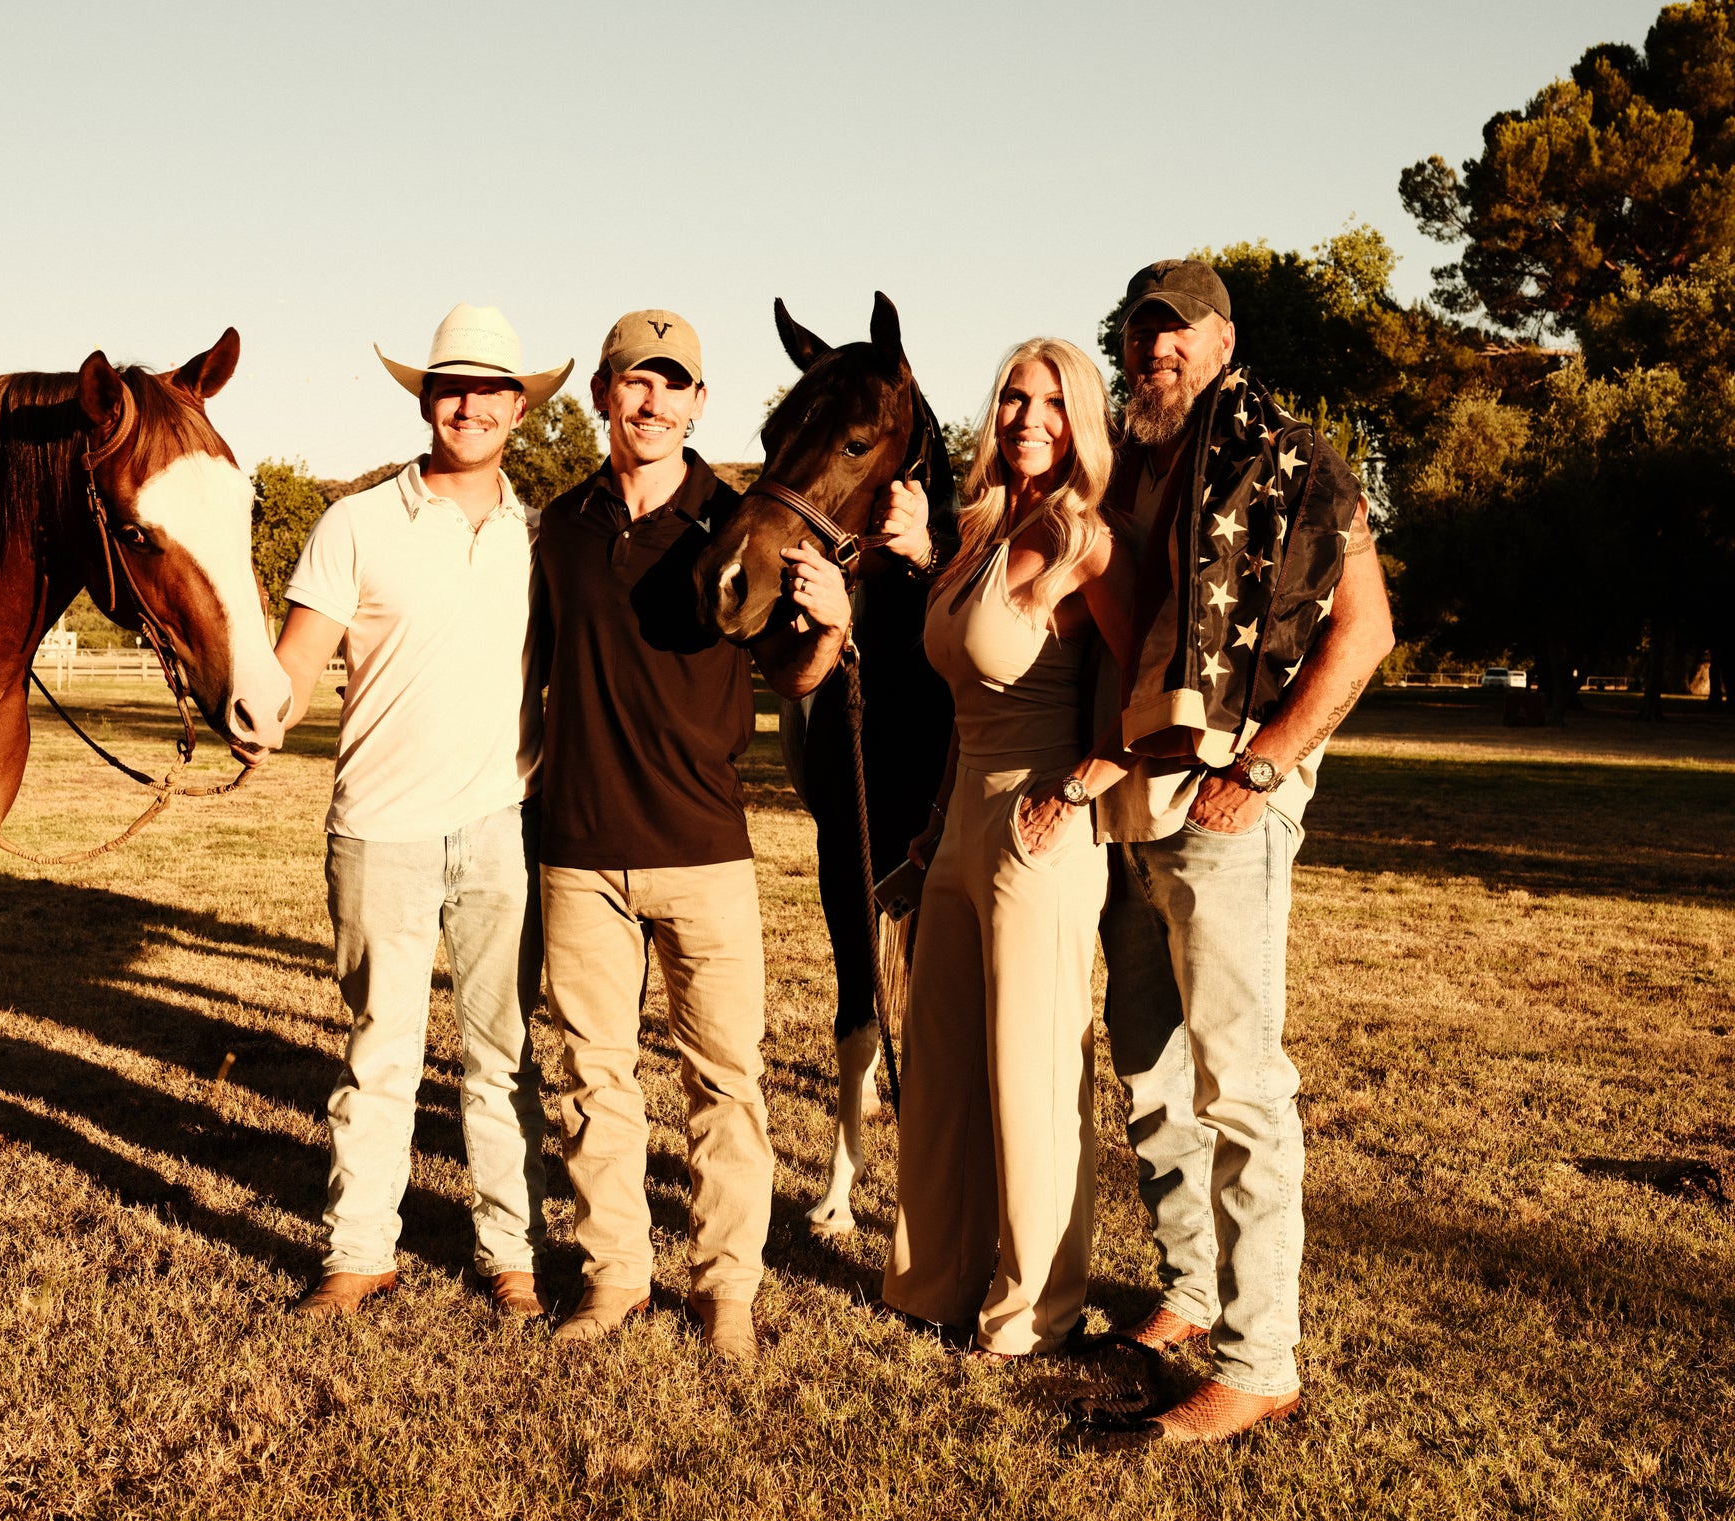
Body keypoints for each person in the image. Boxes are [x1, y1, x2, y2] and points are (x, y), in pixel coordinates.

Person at [1094, 260, 1395, 1444]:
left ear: (1222, 341)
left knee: (1237, 1087)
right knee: (1146, 1065)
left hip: (1226, 799)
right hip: (1134, 801)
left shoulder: (1294, 459)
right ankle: (1187, 1288)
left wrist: (1262, 765)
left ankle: (1259, 1354)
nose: (1152, 352)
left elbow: (1362, 631)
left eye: (1175, 334)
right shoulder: (1128, 464)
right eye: (1136, 334)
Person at [532, 309, 850, 1361]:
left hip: (704, 848)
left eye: (673, 385)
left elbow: (795, 677)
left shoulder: (741, 523)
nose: (652, 400)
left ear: (699, 404)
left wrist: (829, 623)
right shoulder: (562, 527)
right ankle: (615, 1275)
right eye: (633, 382)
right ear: (603, 398)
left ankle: (726, 1292)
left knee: (723, 1082)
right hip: (577, 848)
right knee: (593, 1078)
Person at [272, 304, 573, 1321]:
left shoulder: (542, 538)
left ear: (518, 409)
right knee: (379, 1052)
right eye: (452, 386)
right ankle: (358, 1253)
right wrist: (250, 710)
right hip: (378, 828)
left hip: (503, 825)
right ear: (424, 398)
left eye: (493, 389)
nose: (470, 405)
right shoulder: (353, 523)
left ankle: (511, 1256)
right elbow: (297, 669)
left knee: (501, 1059)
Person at [877, 338, 1137, 1360]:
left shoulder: (1082, 540)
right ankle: (931, 1280)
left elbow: (1157, 681)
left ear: (1082, 423)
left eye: (1053, 405)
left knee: (1029, 1076)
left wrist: (1078, 789)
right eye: (1013, 400)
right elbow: (957, 706)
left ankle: (1033, 1309)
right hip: (956, 830)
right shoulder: (981, 533)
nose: (1028, 419)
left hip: (1040, 831)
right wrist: (930, 831)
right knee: (940, 1072)